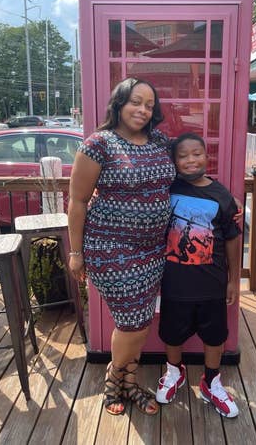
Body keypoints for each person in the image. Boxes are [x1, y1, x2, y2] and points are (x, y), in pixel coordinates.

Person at [67, 77, 176, 416]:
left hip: (153, 250)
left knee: (141, 319)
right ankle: (114, 378)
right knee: (132, 322)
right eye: (136, 102)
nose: (143, 110)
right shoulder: (99, 144)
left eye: (149, 105)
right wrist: (75, 252)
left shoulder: (159, 140)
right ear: (119, 103)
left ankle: (128, 382)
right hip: (111, 248)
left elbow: (183, 175)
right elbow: (77, 200)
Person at [154, 132, 242, 418]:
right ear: (174, 162)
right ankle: (173, 372)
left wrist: (232, 278)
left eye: (197, 153)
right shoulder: (166, 189)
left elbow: (231, 238)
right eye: (183, 155)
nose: (191, 160)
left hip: (212, 283)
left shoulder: (222, 196)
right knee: (171, 332)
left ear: (206, 156)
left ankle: (211, 381)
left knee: (215, 335)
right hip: (174, 282)